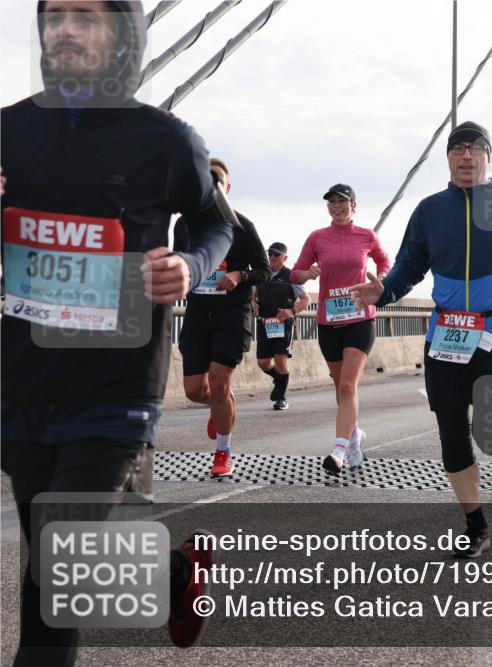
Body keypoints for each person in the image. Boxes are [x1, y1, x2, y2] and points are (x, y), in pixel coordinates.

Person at [0, 1, 234, 661]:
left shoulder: (167, 140)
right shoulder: (8, 131)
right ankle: (176, 574)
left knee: (55, 567)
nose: (65, 29)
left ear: (123, 33)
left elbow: (216, 225)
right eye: (54, 15)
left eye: (85, 15)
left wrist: (189, 265)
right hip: (21, 377)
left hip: (114, 384)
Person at [350, 121, 492, 558]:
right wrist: (383, 291)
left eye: (475, 149)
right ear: (447, 157)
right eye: (458, 149)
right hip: (446, 337)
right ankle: (475, 523)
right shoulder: (429, 210)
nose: (466, 156)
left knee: (489, 427)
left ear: (487, 157)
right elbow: (409, 266)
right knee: (452, 433)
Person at [176, 158, 270, 478]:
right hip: (198, 312)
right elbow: (179, 260)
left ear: (228, 188)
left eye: (220, 181)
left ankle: (223, 453)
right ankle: (221, 408)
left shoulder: (242, 226)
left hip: (233, 312)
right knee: (193, 390)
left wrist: (239, 275)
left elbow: (264, 269)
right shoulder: (184, 224)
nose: (214, 185)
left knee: (219, 381)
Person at [293, 184, 390, 474]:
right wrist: (307, 274)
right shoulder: (317, 238)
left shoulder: (367, 235)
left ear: (354, 205)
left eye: (342, 201)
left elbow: (384, 261)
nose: (337, 206)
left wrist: (380, 279)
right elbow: (295, 271)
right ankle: (354, 436)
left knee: (348, 384)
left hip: (360, 318)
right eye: (332, 202)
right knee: (340, 386)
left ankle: (338, 450)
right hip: (329, 321)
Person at [255, 242, 310, 410]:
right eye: (270, 253)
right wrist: (253, 304)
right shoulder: (261, 274)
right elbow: (252, 295)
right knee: (263, 362)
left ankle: (282, 397)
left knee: (280, 359)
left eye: (276, 254)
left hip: (283, 324)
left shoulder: (291, 276)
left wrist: (290, 311)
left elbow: (306, 300)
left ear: (284, 258)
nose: (272, 257)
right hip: (264, 323)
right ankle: (281, 379)